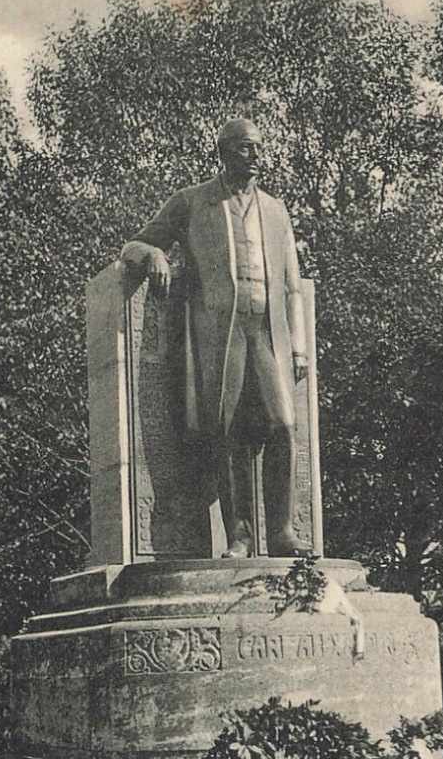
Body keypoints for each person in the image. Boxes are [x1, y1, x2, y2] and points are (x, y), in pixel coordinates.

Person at [121, 117, 312, 559]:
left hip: (266, 331)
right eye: (246, 148)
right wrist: (154, 256)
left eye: (259, 147)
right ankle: (241, 536)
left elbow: (292, 284)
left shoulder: (276, 210)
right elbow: (134, 245)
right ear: (224, 152)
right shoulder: (192, 202)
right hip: (218, 339)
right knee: (228, 432)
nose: (256, 156)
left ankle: (282, 532)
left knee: (282, 426)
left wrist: (299, 347)